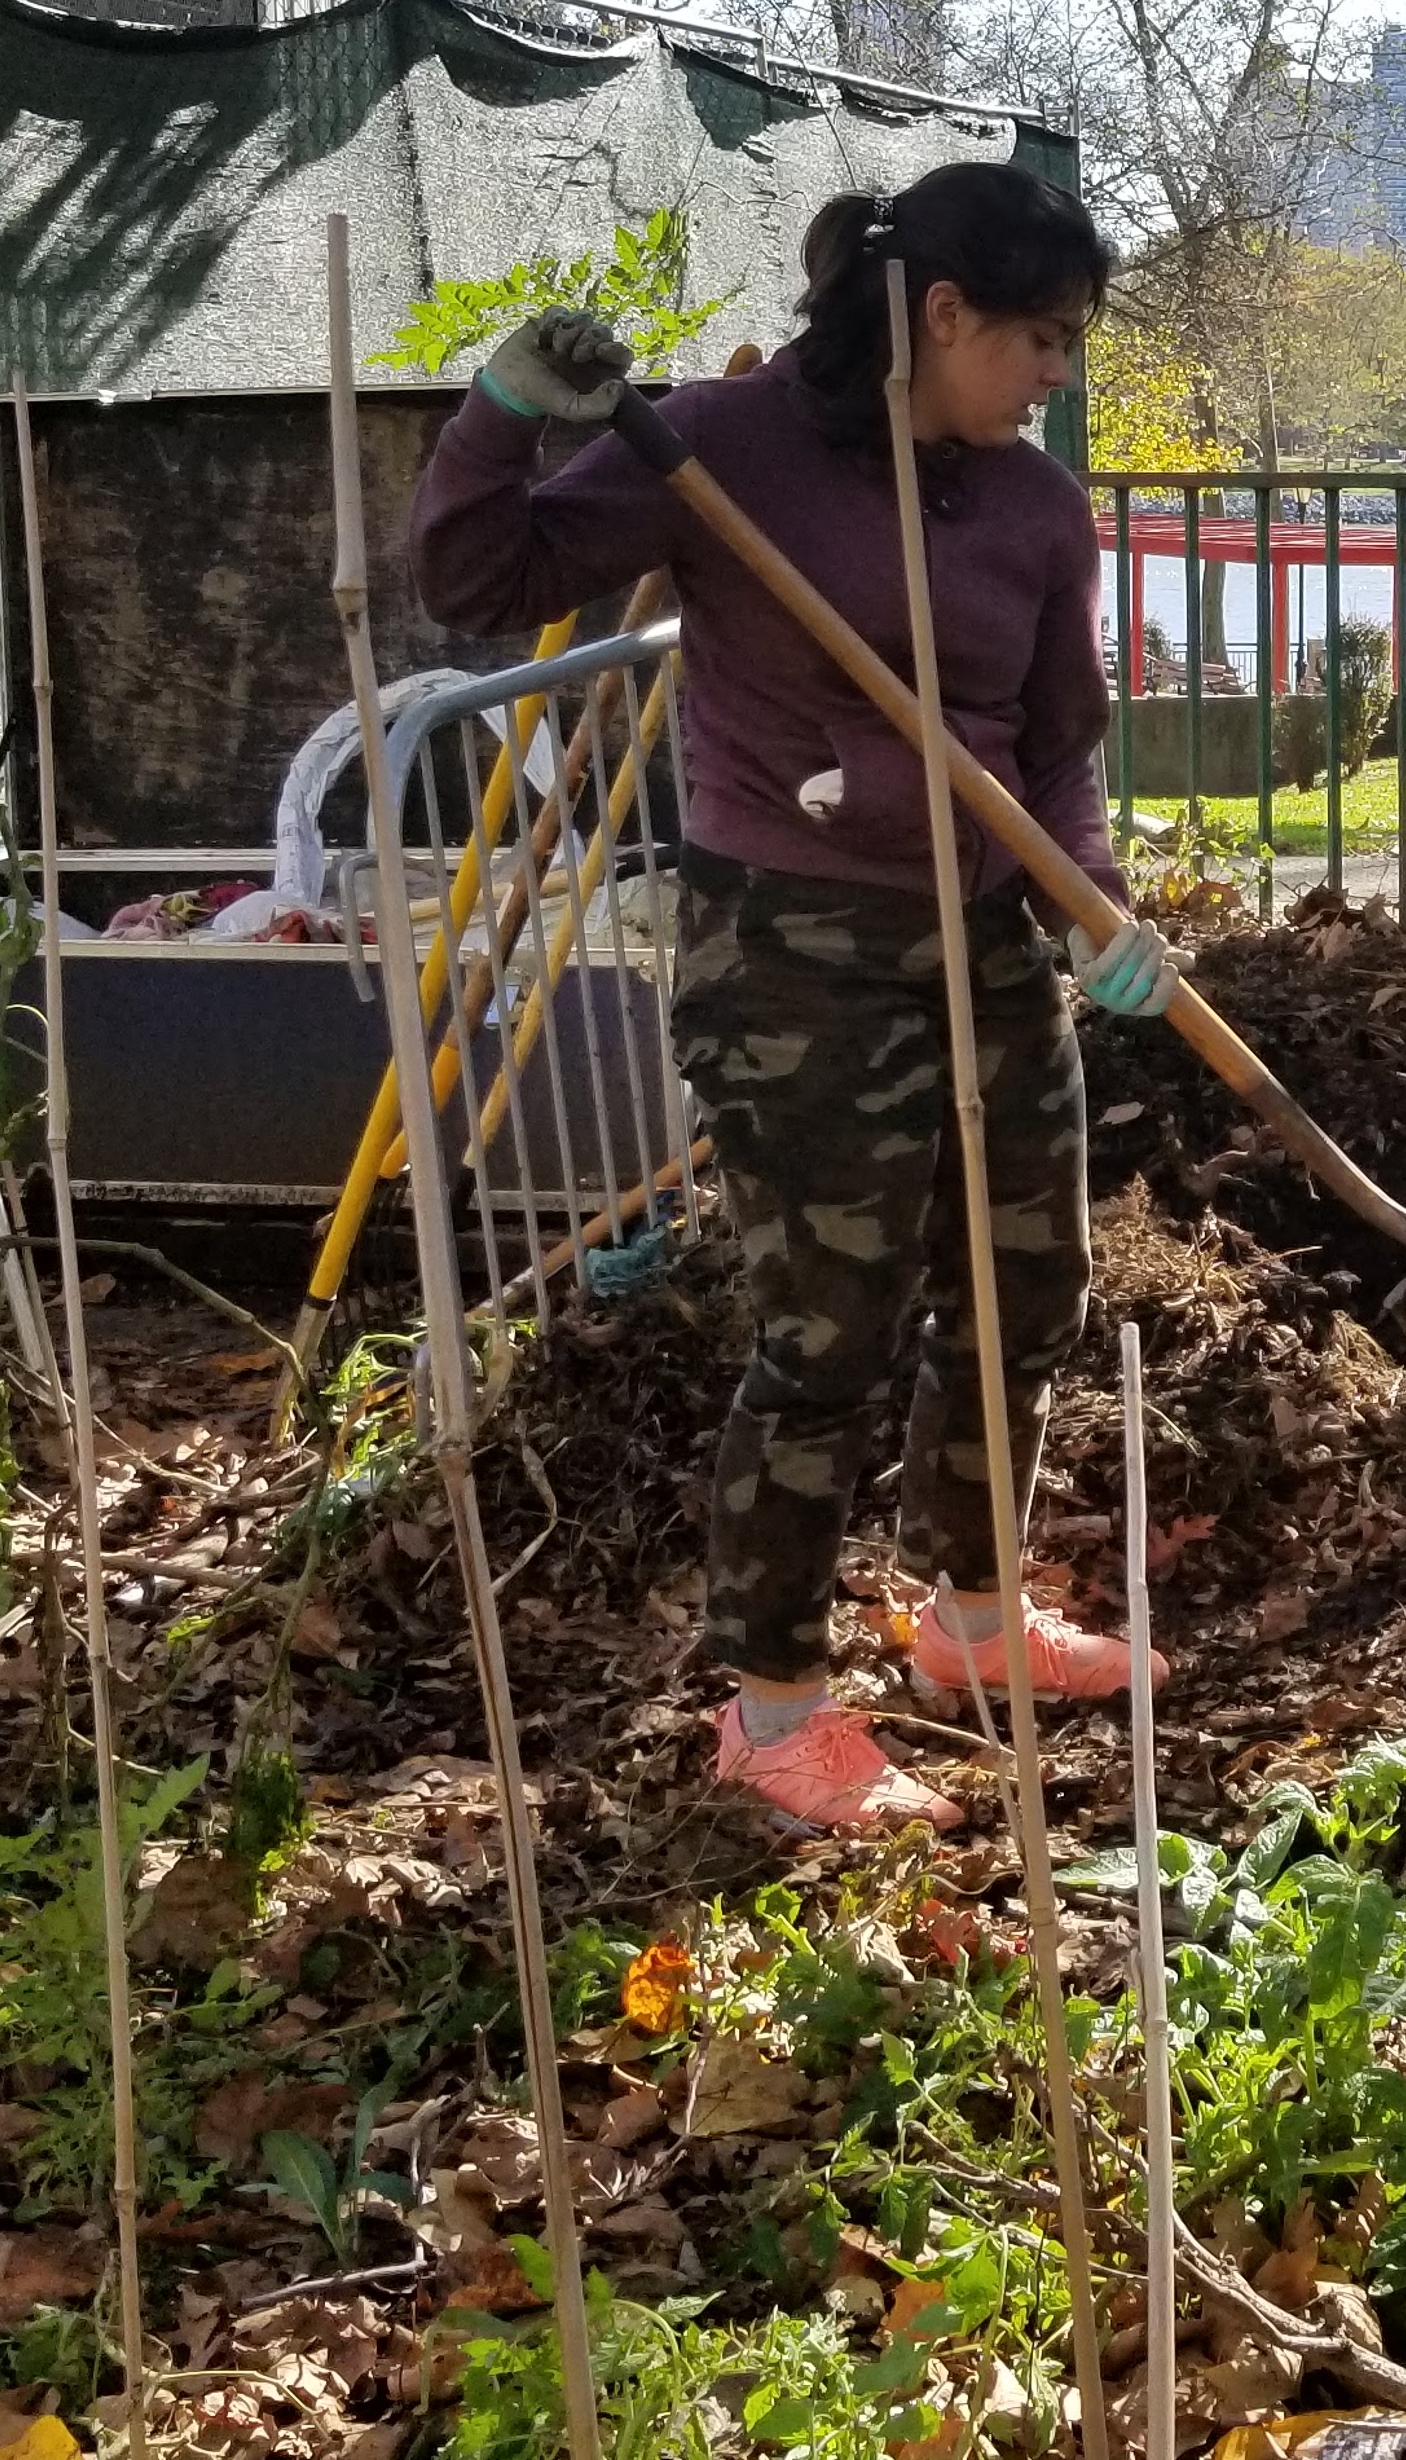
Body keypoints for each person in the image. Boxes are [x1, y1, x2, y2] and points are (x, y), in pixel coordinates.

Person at [410, 162, 1175, 1833]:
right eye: (1037, 338)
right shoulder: (731, 448)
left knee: (1017, 1286)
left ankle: (970, 1621)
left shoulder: (1035, 507)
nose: (1056, 373)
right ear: (944, 312)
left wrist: (1094, 903)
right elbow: (476, 581)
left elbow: (1055, 752)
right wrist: (500, 414)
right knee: (827, 1332)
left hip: (982, 943)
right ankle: (771, 1709)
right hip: (792, 959)